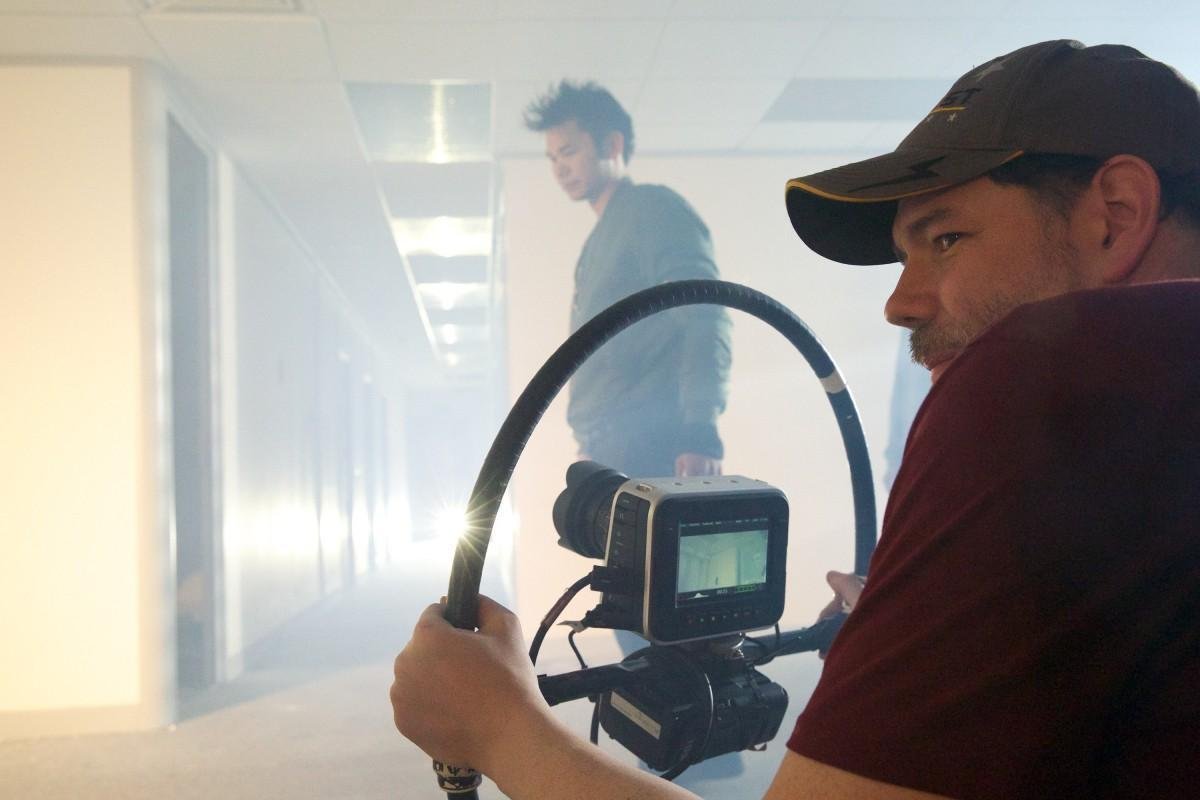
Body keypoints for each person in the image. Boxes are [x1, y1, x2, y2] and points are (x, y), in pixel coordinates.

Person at [391, 39, 1200, 799]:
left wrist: (499, 728)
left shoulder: (1043, 378)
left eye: (947, 238)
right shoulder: (1149, 406)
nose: (899, 302)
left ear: (1117, 213)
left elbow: (700, 318)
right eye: (905, 254)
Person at [523, 80, 732, 479]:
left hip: (652, 444)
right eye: (552, 158)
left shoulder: (652, 209)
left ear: (612, 144)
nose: (559, 169)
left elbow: (703, 313)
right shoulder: (599, 240)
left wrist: (701, 432)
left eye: (569, 151)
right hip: (609, 449)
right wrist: (589, 443)